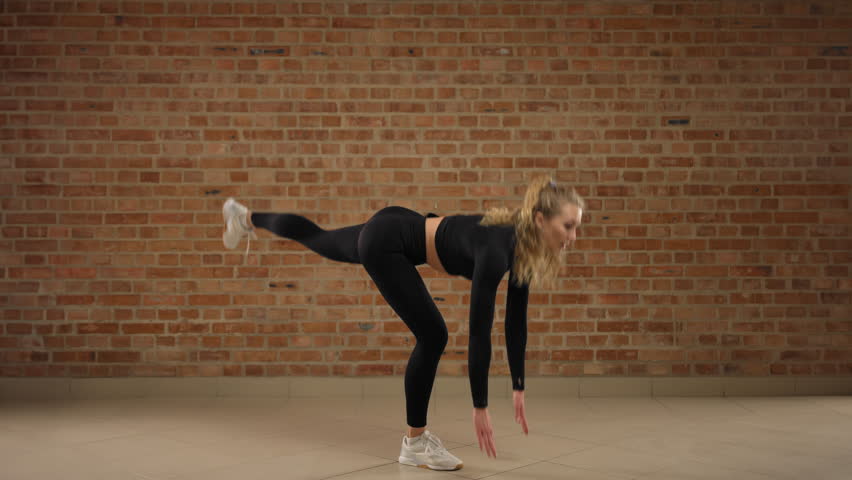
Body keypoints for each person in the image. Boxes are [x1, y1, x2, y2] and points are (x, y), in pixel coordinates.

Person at [220, 175, 585, 470]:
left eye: (576, 228)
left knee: (320, 238)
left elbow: (515, 323)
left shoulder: (523, 245)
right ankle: (414, 443)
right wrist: (480, 406)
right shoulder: (496, 249)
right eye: (568, 226)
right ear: (541, 219)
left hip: (398, 226)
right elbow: (480, 329)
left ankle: (244, 217)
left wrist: (518, 387)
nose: (572, 237)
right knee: (434, 335)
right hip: (389, 241)